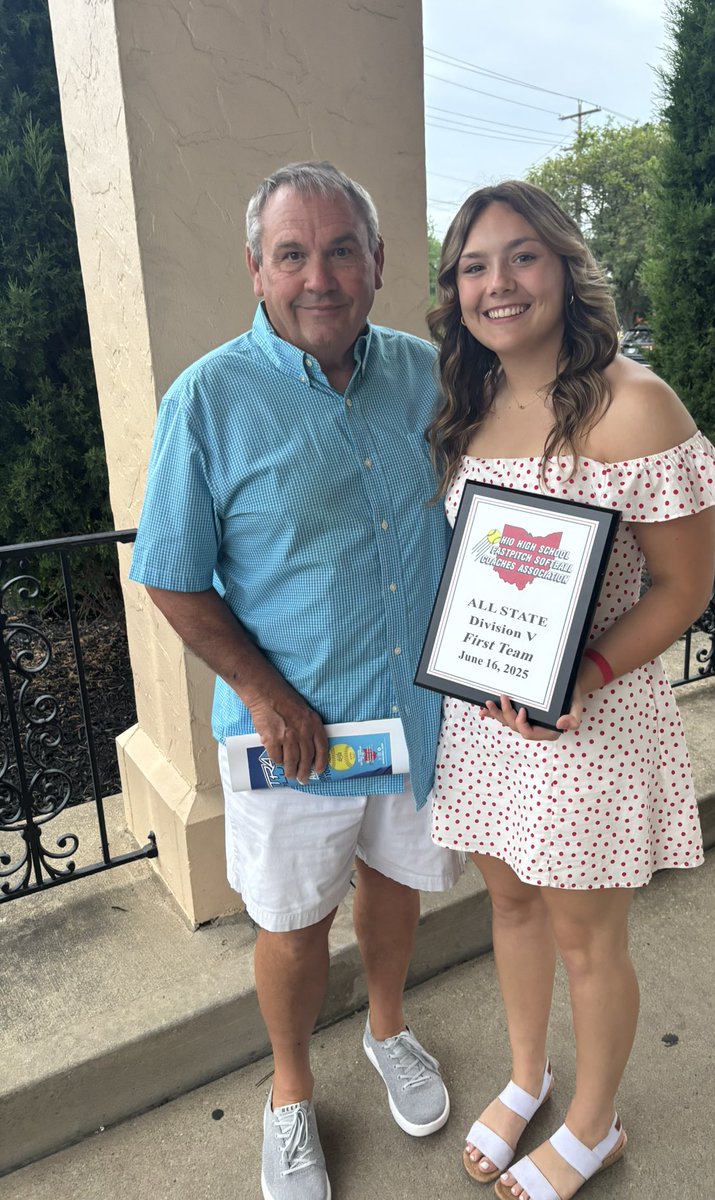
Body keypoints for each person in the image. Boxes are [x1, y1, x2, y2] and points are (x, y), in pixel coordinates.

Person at [129, 161, 464, 1200]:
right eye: (293, 254)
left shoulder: (429, 374)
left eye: (340, 251)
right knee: (291, 925)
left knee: (400, 892)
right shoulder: (207, 400)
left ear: (375, 263)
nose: (319, 275)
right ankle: (288, 1093)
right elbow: (171, 579)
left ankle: (390, 1028)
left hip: (415, 716)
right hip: (296, 739)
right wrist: (269, 696)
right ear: (257, 269)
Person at [426, 181, 715, 1200]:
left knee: (586, 935)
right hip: (487, 715)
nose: (497, 283)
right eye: (474, 265)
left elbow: (685, 586)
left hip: (592, 718)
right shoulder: (466, 406)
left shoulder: (636, 406)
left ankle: (593, 1124)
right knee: (509, 900)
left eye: (521, 256)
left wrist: (585, 677)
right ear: (456, 292)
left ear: (565, 268)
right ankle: (529, 1077)